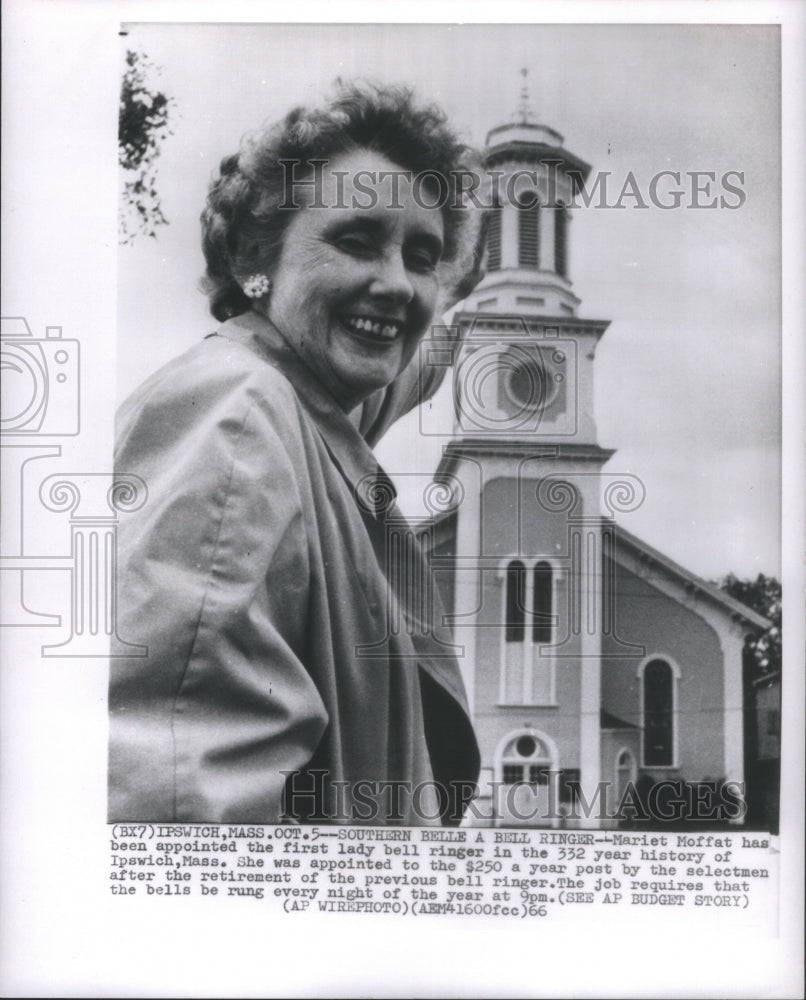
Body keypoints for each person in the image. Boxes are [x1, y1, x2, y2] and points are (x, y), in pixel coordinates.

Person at [109, 81, 483, 826]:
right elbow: (182, 794)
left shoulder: (314, 396)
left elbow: (414, 345)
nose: (397, 284)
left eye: (422, 255)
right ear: (259, 259)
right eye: (355, 239)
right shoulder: (241, 413)